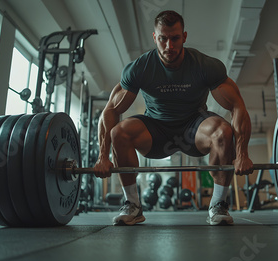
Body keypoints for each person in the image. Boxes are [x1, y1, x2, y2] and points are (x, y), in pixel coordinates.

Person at [93, 10, 254, 226]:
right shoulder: (140, 68)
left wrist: (242, 154)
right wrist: (103, 156)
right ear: (155, 38)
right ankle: (132, 204)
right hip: (156, 130)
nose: (169, 46)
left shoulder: (205, 65)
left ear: (184, 37)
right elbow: (111, 110)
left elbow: (237, 105)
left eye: (175, 38)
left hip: (194, 127)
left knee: (222, 132)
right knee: (119, 132)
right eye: (163, 38)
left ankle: (218, 204)